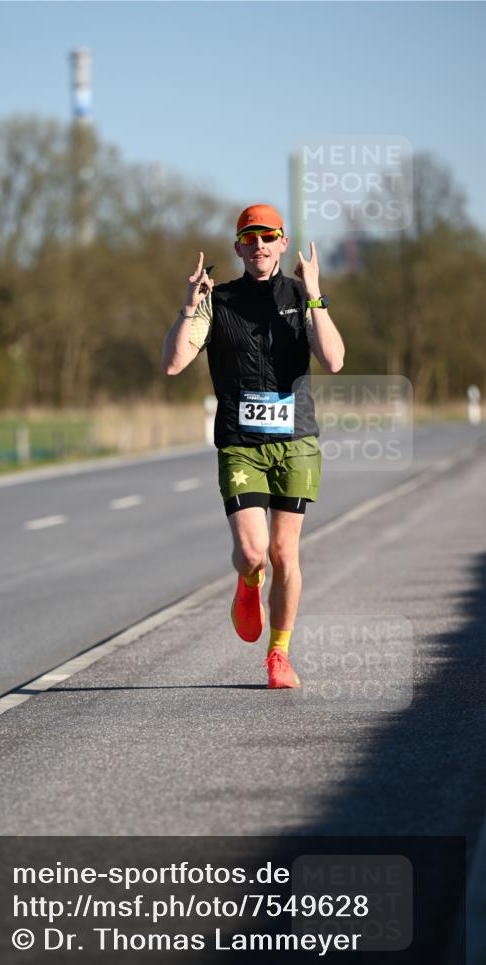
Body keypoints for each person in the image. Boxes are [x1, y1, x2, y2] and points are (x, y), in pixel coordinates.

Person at [161, 204, 345, 688]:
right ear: (239, 247)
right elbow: (174, 363)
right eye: (250, 238)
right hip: (241, 443)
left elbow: (333, 360)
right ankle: (247, 582)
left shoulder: (301, 296)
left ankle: (278, 656)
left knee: (286, 554)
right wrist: (188, 306)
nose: (260, 245)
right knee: (252, 551)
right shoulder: (217, 301)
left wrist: (316, 295)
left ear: (283, 244)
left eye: (269, 237)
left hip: (296, 442)